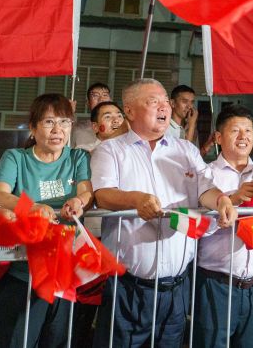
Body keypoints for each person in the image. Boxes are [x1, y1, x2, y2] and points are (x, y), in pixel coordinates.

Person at [90, 79, 236, 348]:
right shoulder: (111, 150)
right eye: (153, 101)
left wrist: (221, 200)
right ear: (129, 110)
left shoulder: (186, 150)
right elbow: (103, 195)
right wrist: (136, 200)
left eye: (165, 102)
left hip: (176, 289)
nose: (163, 107)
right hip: (127, 288)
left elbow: (205, 188)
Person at [0, 93, 93, 348]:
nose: (58, 130)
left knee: (57, 339)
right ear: (33, 128)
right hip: (22, 269)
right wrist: (32, 207)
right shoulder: (16, 157)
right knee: (18, 339)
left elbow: (86, 192)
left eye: (64, 122)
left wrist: (78, 202)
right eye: (49, 122)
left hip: (63, 269)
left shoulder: (78, 157)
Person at [192, 104, 253, 348]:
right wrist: (230, 203)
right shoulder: (206, 175)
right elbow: (193, 226)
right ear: (218, 137)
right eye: (235, 130)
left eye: (248, 130)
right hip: (216, 283)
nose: (243, 136)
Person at [71, 82, 111, 149]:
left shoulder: (119, 126)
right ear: (88, 103)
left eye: (105, 95)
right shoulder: (78, 128)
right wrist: (69, 114)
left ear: (110, 101)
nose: (101, 99)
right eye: (95, 95)